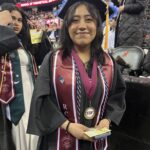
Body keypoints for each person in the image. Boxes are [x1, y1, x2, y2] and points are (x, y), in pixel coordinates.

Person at [27, 1, 126, 150]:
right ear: (67, 26)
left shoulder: (109, 62)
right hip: (60, 140)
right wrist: (67, 125)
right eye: (74, 20)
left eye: (89, 20)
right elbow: (42, 99)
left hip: (96, 142)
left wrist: (108, 120)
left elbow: (117, 96)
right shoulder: (53, 60)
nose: (82, 26)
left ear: (98, 25)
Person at [0, 3, 39, 150]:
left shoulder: (24, 44)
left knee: (34, 135)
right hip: (11, 99)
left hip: (30, 93)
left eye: (19, 20)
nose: (15, 23)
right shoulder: (4, 41)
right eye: (11, 20)